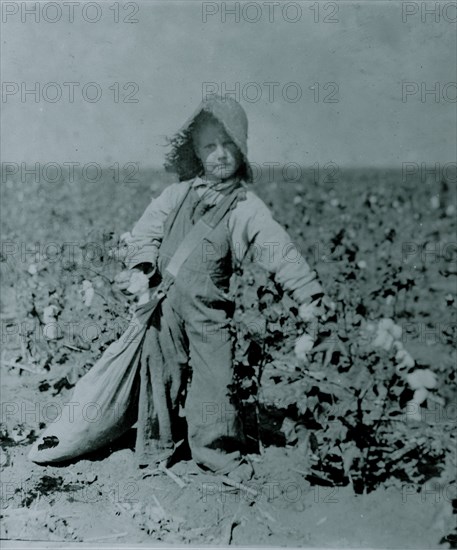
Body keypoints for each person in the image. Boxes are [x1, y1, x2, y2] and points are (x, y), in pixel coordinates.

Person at [115, 95, 334, 482]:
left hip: (209, 312)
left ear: (243, 147)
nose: (219, 154)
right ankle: (156, 447)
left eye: (228, 144)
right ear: (196, 152)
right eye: (209, 146)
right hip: (164, 305)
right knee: (160, 372)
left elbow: (279, 251)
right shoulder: (177, 195)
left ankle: (217, 455)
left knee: (216, 384)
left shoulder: (245, 207)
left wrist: (307, 296)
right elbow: (146, 231)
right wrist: (142, 267)